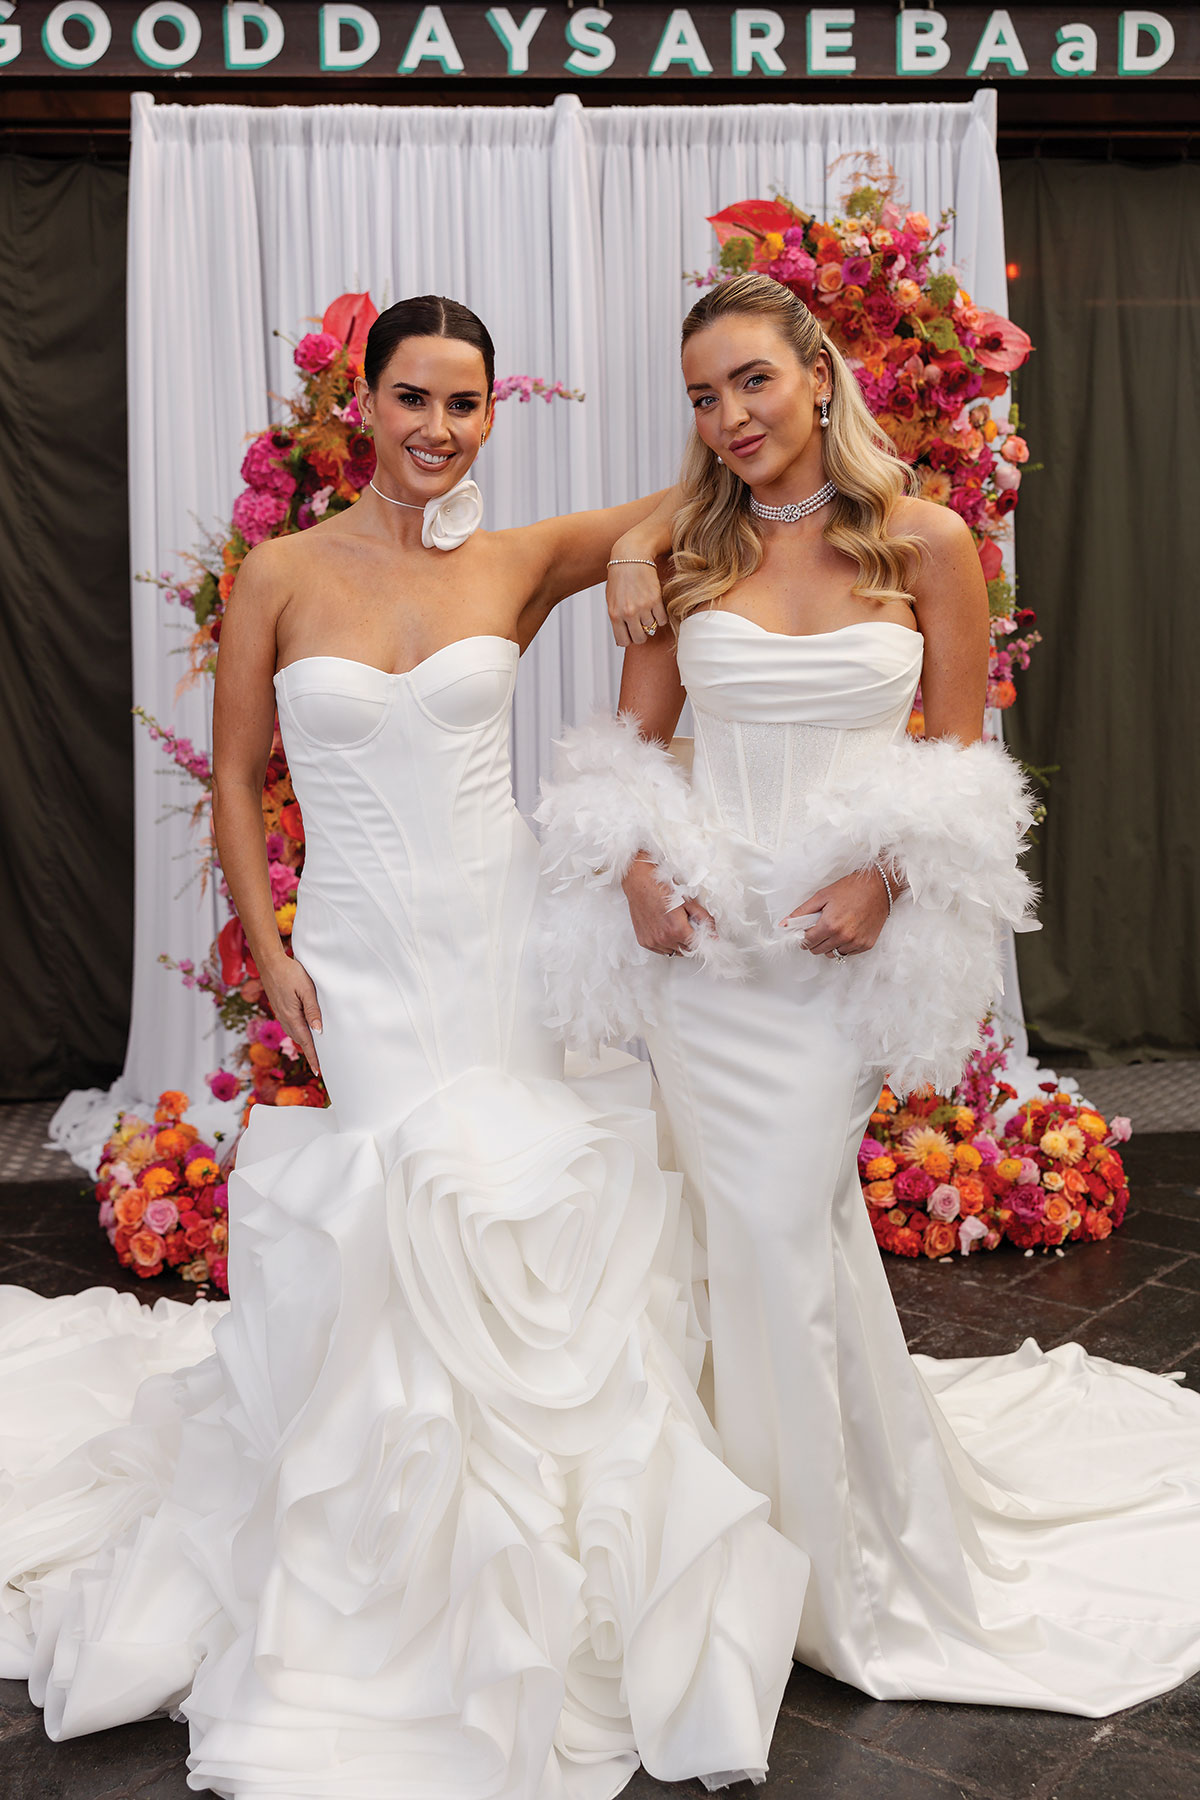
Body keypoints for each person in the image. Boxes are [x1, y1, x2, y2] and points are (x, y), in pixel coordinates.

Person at [0, 295, 807, 1799]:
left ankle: (548, 1563)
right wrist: (271, 942)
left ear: (495, 416)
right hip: (363, 960)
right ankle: (383, 1559)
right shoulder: (284, 573)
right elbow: (239, 775)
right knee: (400, 1197)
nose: (440, 429)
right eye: (415, 399)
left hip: (502, 934)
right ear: (359, 405)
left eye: (468, 406)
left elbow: (718, 494)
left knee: (515, 1199)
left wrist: (629, 550)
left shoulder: (516, 557)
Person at [538, 272, 1200, 1715]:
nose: (730, 417)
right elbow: (632, 753)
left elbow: (959, 759)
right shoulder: (682, 550)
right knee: (756, 1237)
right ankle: (737, 1551)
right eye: (704, 395)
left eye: (752, 382)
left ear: (818, 375)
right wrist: (642, 870)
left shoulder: (926, 540)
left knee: (778, 1224)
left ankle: (829, 1567)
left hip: (832, 949)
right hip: (704, 955)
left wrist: (886, 885)